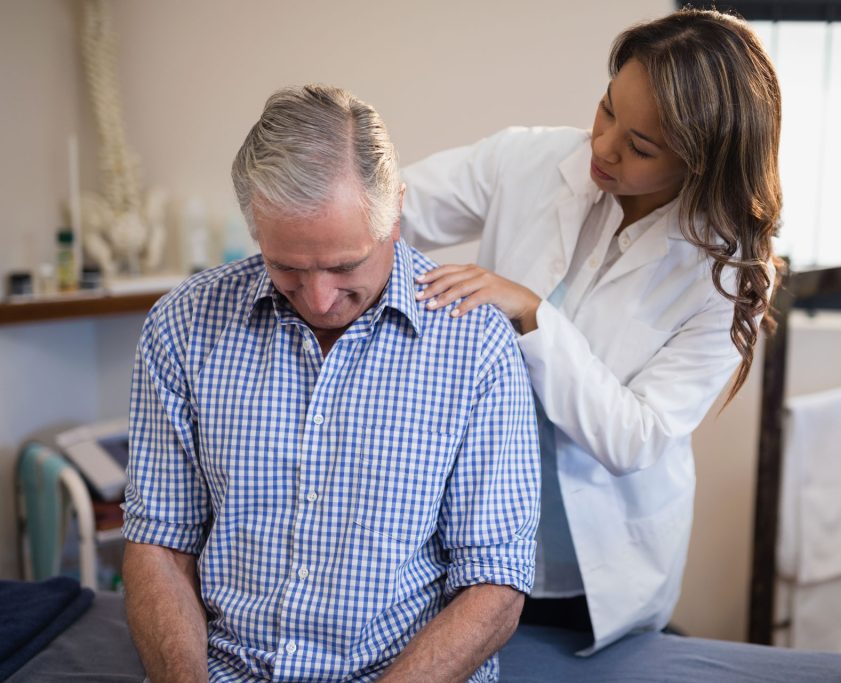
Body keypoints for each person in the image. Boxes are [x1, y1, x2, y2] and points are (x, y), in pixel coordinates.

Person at [121, 85, 541, 683]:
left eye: (346, 265)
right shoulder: (183, 325)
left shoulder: (475, 344)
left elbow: (494, 583)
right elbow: (159, 539)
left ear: (395, 212)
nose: (319, 299)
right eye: (286, 265)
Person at [400, 8, 782, 652]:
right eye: (607, 110)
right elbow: (391, 209)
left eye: (640, 146)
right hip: (470, 532)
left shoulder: (728, 274)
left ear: (702, 162)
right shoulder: (530, 158)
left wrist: (531, 313)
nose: (602, 147)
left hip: (593, 565)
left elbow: (634, 437)